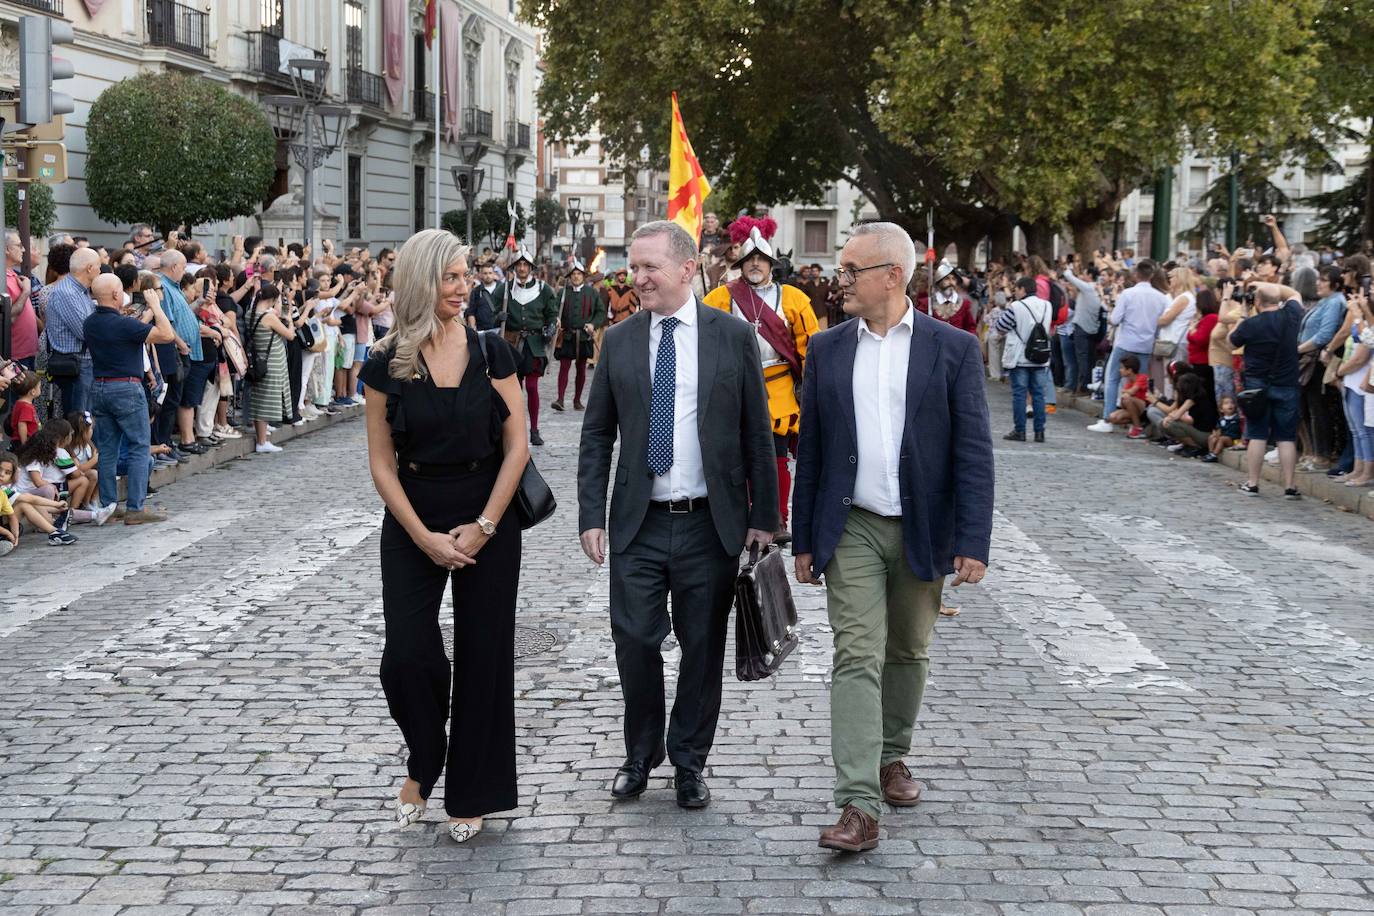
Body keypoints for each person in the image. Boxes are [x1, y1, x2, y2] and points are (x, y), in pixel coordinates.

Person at [792, 221, 993, 853]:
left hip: (924, 527)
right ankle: (858, 802)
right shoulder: (826, 349)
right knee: (856, 654)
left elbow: (974, 453)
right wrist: (804, 538)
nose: (840, 280)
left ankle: (890, 755)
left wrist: (974, 539)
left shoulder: (952, 348)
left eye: (852, 270)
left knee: (907, 650)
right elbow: (814, 450)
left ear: (893, 276)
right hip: (850, 523)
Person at [577, 220, 777, 810]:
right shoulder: (617, 341)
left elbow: (756, 433)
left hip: (707, 524)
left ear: (687, 269)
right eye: (634, 267)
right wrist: (593, 514)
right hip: (638, 523)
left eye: (649, 267)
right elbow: (596, 437)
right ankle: (640, 753)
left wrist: (763, 516)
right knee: (634, 640)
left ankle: (690, 760)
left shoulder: (733, 338)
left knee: (702, 646)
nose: (637, 278)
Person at [361, 229, 528, 844]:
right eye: (450, 277)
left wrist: (484, 527)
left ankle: (473, 791)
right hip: (413, 514)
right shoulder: (385, 361)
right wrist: (425, 537)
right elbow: (381, 462)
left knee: (484, 657)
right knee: (407, 654)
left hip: (489, 510)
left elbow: (518, 447)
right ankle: (424, 761)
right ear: (419, 282)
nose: (463, 288)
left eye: (466, 276)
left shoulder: (492, 352)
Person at [704, 222, 819, 544]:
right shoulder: (721, 297)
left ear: (771, 265)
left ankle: (778, 518)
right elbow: (701, 336)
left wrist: (811, 388)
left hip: (778, 388)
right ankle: (742, 517)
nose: (755, 265)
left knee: (776, 457)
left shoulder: (794, 298)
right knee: (738, 458)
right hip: (735, 390)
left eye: (761, 260)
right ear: (741, 265)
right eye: (749, 260)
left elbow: (810, 348)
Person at [85, 271, 175, 524]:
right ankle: (135, 508)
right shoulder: (125, 324)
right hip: (126, 387)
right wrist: (156, 306)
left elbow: (119, 333)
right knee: (138, 446)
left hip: (99, 387)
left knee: (108, 449)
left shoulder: (90, 322)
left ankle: (109, 506)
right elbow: (166, 335)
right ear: (116, 295)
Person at [1229, 281, 1303, 498]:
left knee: (1257, 434)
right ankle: (1290, 486)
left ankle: (1253, 483)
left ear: (1257, 302)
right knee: (1287, 437)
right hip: (1287, 384)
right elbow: (1295, 293)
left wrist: (1243, 315)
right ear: (1278, 300)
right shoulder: (1291, 316)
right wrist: (1266, 283)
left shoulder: (1250, 324)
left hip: (1257, 386)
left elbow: (1231, 342)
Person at [1088, 260, 1168, 433]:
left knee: (1112, 379)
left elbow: (1115, 319)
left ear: (1136, 275)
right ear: (1152, 275)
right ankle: (1135, 421)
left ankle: (1108, 418)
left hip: (1125, 342)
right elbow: (1162, 323)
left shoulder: (1128, 294)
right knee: (1141, 383)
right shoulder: (1161, 298)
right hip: (1146, 345)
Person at [493, 247, 558, 446]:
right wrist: (498, 316)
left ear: (530, 267)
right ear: (514, 267)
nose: (522, 268)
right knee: (514, 390)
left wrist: (551, 327)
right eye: (519, 264)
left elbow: (552, 314)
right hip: (511, 343)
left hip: (534, 345)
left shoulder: (543, 288)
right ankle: (515, 430)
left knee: (532, 387)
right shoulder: (504, 289)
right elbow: (494, 312)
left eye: (525, 265)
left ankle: (535, 429)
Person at [995, 276, 1053, 442]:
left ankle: (1020, 430)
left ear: (1022, 289)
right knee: (1039, 395)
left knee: (1019, 395)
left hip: (1020, 356)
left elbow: (1001, 327)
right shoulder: (1047, 305)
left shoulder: (1016, 306)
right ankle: (1039, 432)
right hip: (1041, 356)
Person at [45, 247, 103, 415]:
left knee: (85, 417)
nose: (101, 270)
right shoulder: (67, 293)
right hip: (76, 363)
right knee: (78, 419)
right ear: (90, 268)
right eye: (99, 266)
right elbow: (86, 332)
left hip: (82, 362)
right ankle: (76, 443)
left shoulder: (80, 291)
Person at [246, 283, 295, 453]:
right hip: (272, 362)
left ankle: (262, 438)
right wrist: (289, 321)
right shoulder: (269, 317)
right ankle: (262, 441)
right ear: (273, 299)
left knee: (260, 399)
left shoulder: (249, 313)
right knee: (266, 402)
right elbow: (290, 335)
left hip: (259, 360)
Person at [551, 260, 604, 412]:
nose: (576, 277)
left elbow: (600, 312)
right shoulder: (562, 293)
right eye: (573, 274)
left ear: (583, 276)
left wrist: (593, 324)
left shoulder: (592, 293)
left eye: (578, 274)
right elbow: (554, 309)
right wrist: (556, 318)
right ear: (570, 276)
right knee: (564, 367)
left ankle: (577, 400)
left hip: (584, 337)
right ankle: (560, 399)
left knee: (581, 368)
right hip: (567, 335)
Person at [1061, 262, 1102, 395]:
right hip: (1091, 328)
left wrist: (1069, 269)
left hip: (1082, 328)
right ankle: (1086, 385)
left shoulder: (1088, 288)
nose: (1082, 276)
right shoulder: (1096, 288)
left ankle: (1084, 387)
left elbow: (1068, 276)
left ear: (1090, 275)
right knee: (1088, 358)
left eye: (1084, 274)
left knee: (1082, 358)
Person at [5, 231, 38, 374]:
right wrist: (25, 292)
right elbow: (8, 319)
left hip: (27, 353)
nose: (23, 249)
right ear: (6, 249)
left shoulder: (13, 275)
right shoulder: (2, 279)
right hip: (14, 358)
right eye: (19, 245)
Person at [922, 261, 977, 335]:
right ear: (939, 282)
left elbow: (971, 328)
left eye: (954, 279)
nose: (951, 282)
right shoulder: (926, 304)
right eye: (947, 279)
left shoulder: (964, 304)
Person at [1204, 396, 1242, 463]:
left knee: (1222, 439)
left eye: (1232, 403)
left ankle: (1214, 455)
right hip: (1223, 437)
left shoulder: (1237, 418)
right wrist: (1215, 435)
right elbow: (1219, 430)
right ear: (1221, 409)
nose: (1230, 405)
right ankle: (1210, 453)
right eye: (1226, 403)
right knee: (1211, 437)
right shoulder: (1221, 419)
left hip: (1233, 440)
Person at [466, 261, 500, 332]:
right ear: (480, 275)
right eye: (485, 273)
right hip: (482, 330)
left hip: (500, 329)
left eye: (490, 273)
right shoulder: (476, 291)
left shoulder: (502, 288)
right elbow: (471, 312)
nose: (488, 276)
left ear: (494, 274)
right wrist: (473, 329)